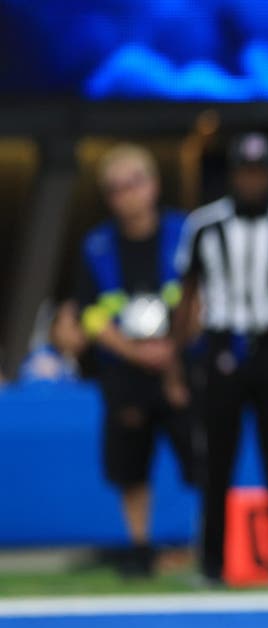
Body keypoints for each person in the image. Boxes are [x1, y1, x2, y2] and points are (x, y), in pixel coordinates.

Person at [173, 132, 268, 586]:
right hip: (222, 344)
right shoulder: (204, 224)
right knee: (216, 458)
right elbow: (187, 294)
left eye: (261, 172)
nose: (253, 180)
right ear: (234, 174)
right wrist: (177, 359)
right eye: (246, 171)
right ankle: (211, 564)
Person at [59, 144, 196, 577]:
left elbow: (202, 298)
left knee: (202, 457)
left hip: (182, 365)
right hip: (124, 371)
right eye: (114, 189)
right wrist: (136, 352)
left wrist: (172, 348)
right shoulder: (97, 245)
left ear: (153, 185)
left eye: (132, 184)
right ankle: (140, 548)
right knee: (130, 467)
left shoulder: (184, 233)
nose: (125, 196)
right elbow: (90, 315)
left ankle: (209, 545)